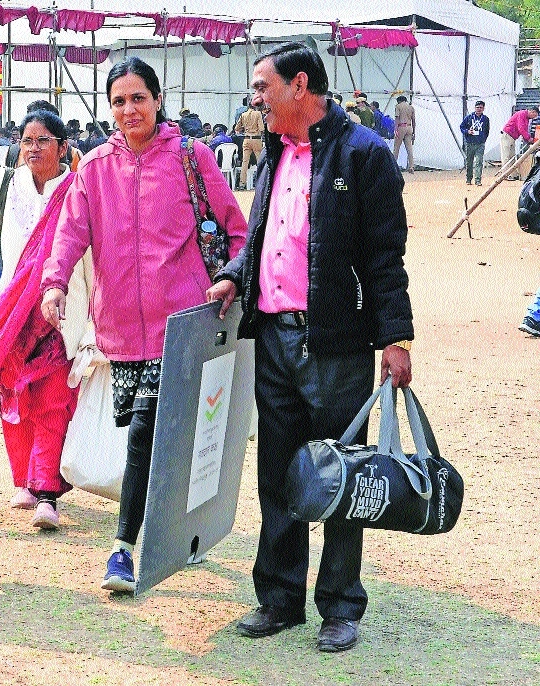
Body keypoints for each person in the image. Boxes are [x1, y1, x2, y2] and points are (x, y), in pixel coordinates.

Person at [206, 42, 414, 653]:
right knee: (279, 474)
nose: (255, 99)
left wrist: (395, 338)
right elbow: (263, 237)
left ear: (300, 86)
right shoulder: (275, 154)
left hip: (335, 345)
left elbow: (384, 258)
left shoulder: (365, 155)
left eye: (263, 87)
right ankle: (278, 599)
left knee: (341, 475)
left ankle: (341, 607)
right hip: (272, 338)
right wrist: (233, 274)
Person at [40, 57, 248, 592]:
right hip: (122, 333)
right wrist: (55, 282)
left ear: (157, 100)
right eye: (118, 101)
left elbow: (236, 229)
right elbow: (71, 232)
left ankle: (123, 550)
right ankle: (177, 536)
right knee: (157, 439)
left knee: (147, 437)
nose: (129, 110)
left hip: (182, 328)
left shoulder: (190, 157)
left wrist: (229, 277)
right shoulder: (94, 169)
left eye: (138, 98)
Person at [0, 109, 91, 529]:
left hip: (61, 310)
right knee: (13, 393)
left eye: (43, 140)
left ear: (62, 147)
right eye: (27, 140)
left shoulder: (78, 189)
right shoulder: (5, 185)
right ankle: (26, 482)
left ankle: (47, 489)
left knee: (52, 398)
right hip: (10, 312)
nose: (33, 148)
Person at [500, 106, 539, 181]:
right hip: (507, 135)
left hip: (513, 137)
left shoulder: (527, 118)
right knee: (506, 156)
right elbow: (521, 128)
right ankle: (505, 174)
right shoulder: (521, 114)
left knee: (512, 156)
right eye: (534, 115)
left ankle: (513, 174)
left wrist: (528, 139)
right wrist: (528, 138)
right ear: (532, 111)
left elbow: (524, 129)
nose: (533, 117)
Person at [234, 103, 264, 190]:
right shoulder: (258, 113)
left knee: (245, 162)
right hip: (256, 139)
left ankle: (242, 183)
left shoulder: (243, 115)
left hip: (246, 139)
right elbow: (261, 128)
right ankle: (260, 182)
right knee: (259, 161)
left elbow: (237, 128)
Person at [460, 100, 490, 186]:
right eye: (477, 107)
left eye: (480, 107)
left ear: (483, 108)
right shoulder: (469, 117)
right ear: (474, 108)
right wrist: (467, 131)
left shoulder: (485, 119)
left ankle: (478, 180)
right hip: (470, 143)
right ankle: (469, 178)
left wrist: (483, 139)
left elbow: (487, 130)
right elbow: (462, 127)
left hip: (480, 144)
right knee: (469, 162)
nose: (479, 109)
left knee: (479, 161)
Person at [393, 95, 416, 173]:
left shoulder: (398, 106)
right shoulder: (411, 107)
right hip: (409, 127)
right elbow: (414, 121)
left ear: (399, 101)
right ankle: (411, 166)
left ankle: (393, 165)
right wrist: (414, 132)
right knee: (409, 148)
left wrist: (395, 129)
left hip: (401, 127)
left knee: (396, 147)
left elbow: (397, 118)